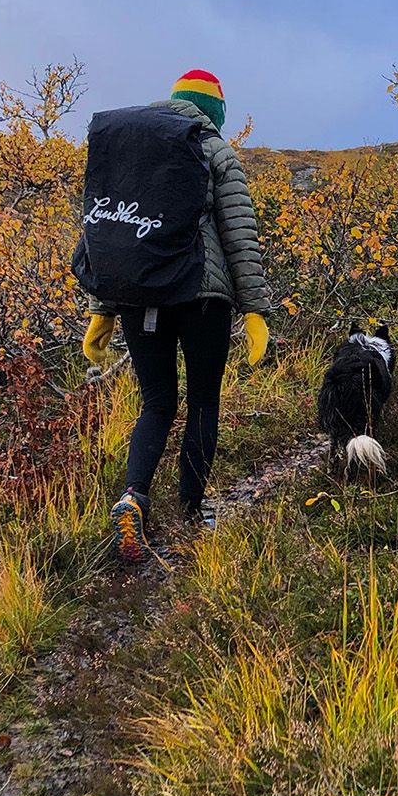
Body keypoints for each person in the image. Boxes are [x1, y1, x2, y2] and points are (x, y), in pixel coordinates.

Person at [80, 69, 273, 562]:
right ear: (216, 111)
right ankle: (191, 510)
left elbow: (107, 230)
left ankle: (134, 497)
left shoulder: (132, 147)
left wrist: (101, 310)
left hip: (139, 297)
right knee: (203, 399)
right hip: (201, 298)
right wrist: (255, 309)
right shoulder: (214, 149)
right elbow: (239, 235)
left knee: (157, 402)